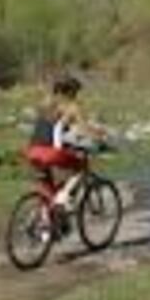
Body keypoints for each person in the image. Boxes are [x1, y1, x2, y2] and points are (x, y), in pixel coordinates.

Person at [26, 75, 106, 211]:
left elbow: (52, 128)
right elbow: (83, 129)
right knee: (80, 168)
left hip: (32, 150)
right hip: (50, 152)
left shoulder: (45, 103)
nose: (77, 96)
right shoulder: (71, 106)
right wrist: (99, 137)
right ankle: (63, 196)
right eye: (76, 92)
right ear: (71, 92)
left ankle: (47, 226)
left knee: (48, 190)